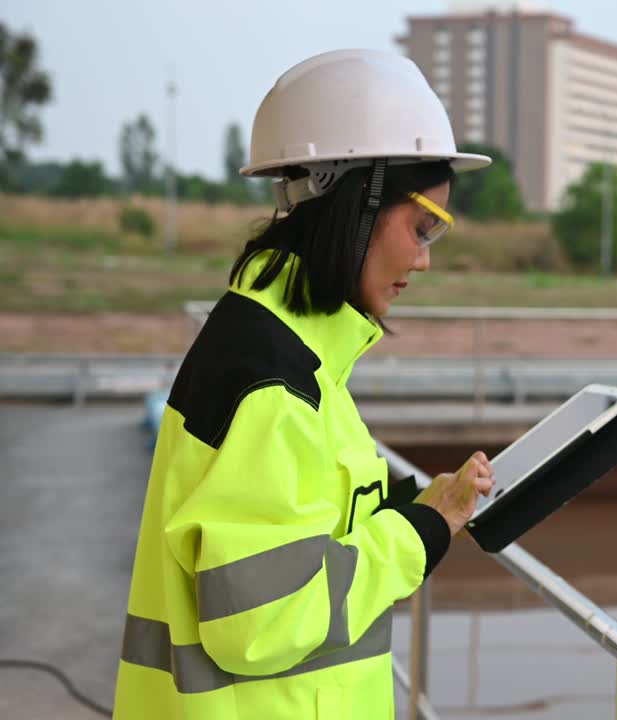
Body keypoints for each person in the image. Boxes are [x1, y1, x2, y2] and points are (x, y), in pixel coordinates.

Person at [113, 49, 495, 719]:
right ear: (356, 205)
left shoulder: (284, 348)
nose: (426, 259)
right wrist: (418, 536)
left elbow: (301, 523)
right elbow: (259, 621)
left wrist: (417, 507)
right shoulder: (275, 380)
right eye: (423, 226)